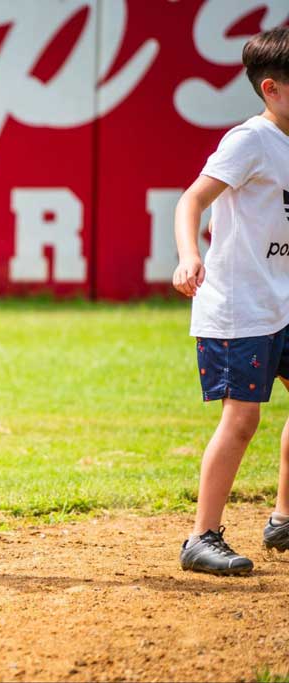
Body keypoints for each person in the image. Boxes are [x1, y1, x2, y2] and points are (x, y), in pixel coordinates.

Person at [172, 26, 289, 576]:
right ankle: (202, 536)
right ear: (272, 89)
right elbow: (191, 200)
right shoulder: (250, 141)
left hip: (284, 301)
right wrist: (188, 254)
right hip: (239, 306)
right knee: (242, 420)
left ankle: (283, 519)